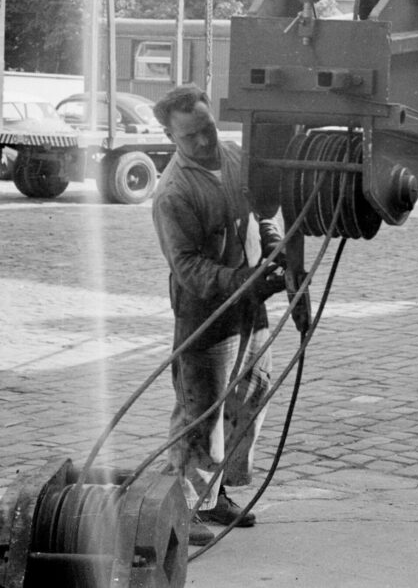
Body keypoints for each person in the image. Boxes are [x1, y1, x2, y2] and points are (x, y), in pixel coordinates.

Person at [151, 84, 286, 545]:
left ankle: (218, 494)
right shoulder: (173, 193)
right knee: (199, 414)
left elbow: (262, 212)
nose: (205, 141)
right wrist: (239, 281)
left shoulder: (233, 157)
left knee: (251, 395)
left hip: (250, 304)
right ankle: (181, 508)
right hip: (205, 312)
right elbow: (186, 266)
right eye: (192, 137)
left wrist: (273, 245)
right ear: (172, 138)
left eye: (207, 129)